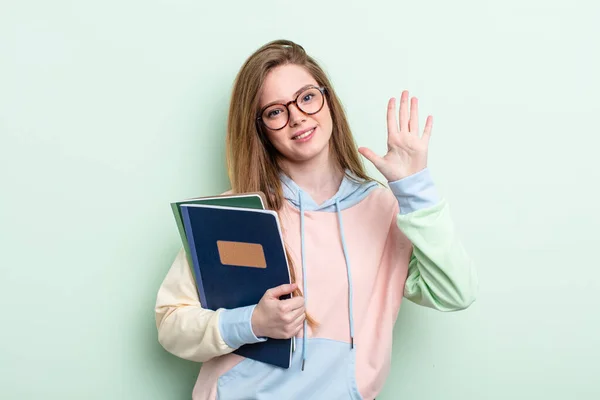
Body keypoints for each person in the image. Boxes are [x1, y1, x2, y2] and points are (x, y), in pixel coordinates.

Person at [154, 39, 478, 400]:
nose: (297, 117)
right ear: (260, 128)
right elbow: (171, 324)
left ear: (328, 100)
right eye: (276, 111)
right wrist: (251, 323)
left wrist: (414, 188)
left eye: (307, 97)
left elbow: (455, 292)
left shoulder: (385, 209)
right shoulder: (234, 214)